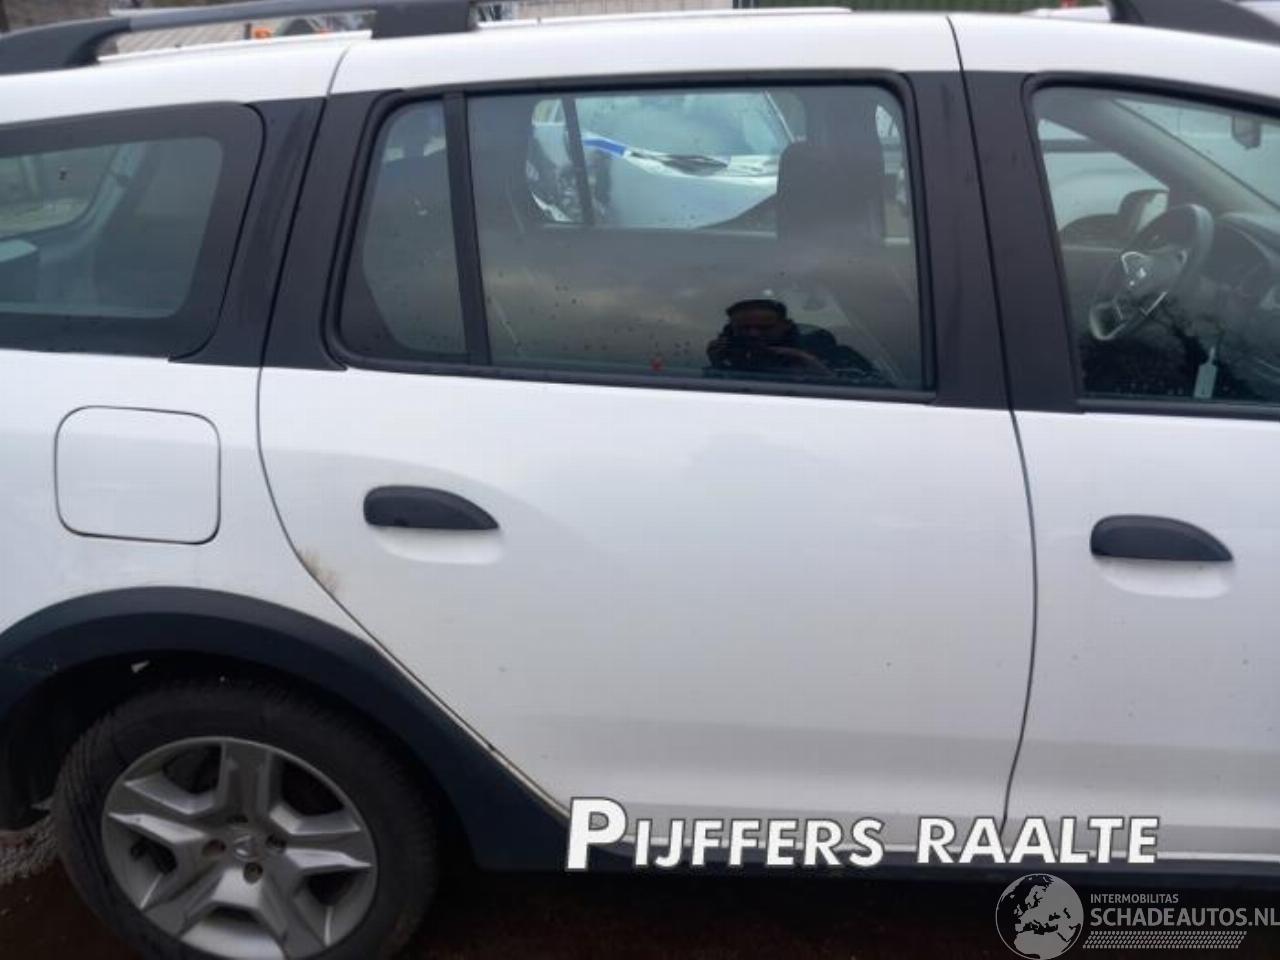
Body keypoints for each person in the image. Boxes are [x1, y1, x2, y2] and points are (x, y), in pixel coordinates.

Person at [706, 298, 882, 382]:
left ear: (786, 325)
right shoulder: (723, 357)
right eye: (744, 328)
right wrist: (716, 365)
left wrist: (813, 366)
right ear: (730, 329)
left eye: (764, 328)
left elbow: (879, 390)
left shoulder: (837, 356)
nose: (753, 334)